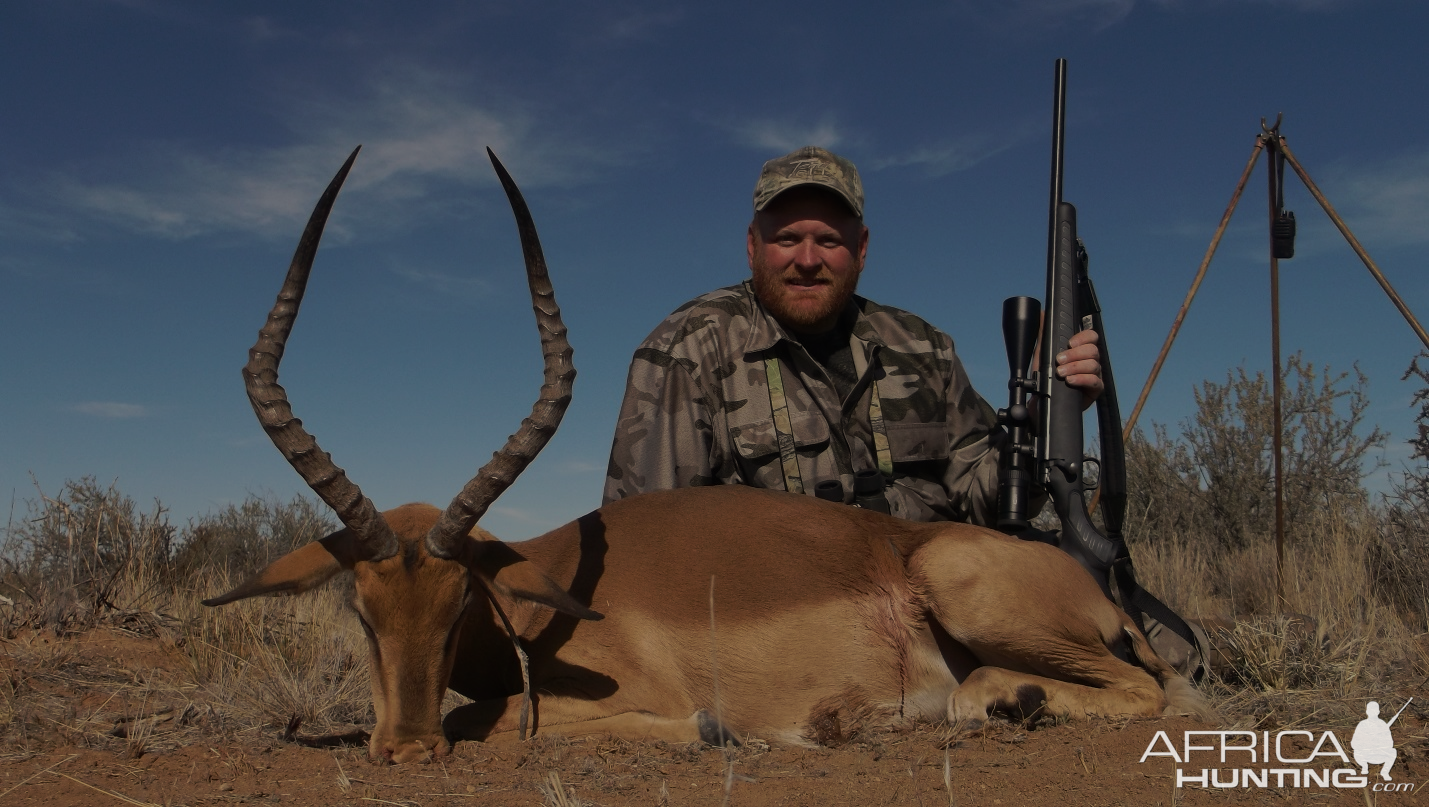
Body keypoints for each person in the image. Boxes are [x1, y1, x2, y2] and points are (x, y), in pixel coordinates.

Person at [602, 145, 1102, 523]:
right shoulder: (685, 351)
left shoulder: (925, 348)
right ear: (752, 247)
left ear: (861, 250)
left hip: (932, 597)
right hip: (774, 624)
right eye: (786, 238)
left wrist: (1041, 422)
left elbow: (981, 500)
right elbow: (646, 542)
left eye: (829, 240)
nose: (807, 259)